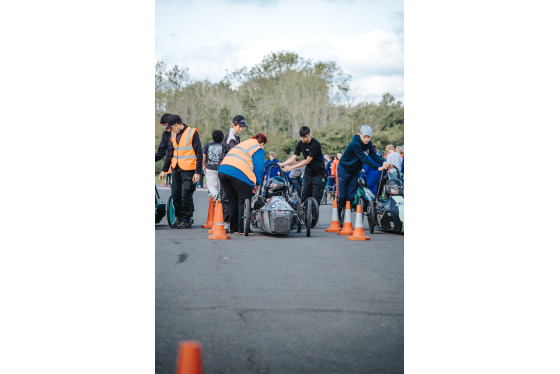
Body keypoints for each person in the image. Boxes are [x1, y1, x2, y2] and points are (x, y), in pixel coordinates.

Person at [337, 125, 392, 219]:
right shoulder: (355, 144)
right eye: (365, 137)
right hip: (344, 170)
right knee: (342, 196)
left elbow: (373, 156)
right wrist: (377, 167)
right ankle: (338, 215)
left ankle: (345, 217)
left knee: (350, 197)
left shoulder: (369, 143)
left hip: (355, 172)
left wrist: (384, 162)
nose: (367, 139)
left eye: (368, 137)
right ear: (360, 135)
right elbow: (364, 158)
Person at [218, 133, 267, 235]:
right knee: (244, 201)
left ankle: (234, 228)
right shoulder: (258, 147)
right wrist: (257, 183)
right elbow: (259, 168)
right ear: (262, 143)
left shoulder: (244, 143)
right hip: (238, 172)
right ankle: (242, 228)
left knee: (232, 200)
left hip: (223, 170)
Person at [159, 115, 202, 229]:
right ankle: (179, 218)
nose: (171, 130)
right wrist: (164, 170)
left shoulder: (192, 133)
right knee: (175, 195)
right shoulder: (173, 134)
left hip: (189, 170)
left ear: (177, 125)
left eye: (172, 128)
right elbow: (169, 153)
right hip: (176, 169)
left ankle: (186, 219)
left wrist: (198, 173)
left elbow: (199, 153)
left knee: (185, 195)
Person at [278, 126, 326, 206]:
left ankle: (313, 214)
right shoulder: (300, 144)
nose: (303, 139)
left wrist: (291, 167)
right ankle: (305, 213)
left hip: (318, 173)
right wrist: (282, 164)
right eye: (301, 137)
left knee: (315, 196)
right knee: (305, 194)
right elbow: (293, 158)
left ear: (309, 134)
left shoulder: (315, 144)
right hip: (308, 173)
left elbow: (307, 160)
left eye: (304, 137)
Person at [219, 115, 247, 232]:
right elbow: (235, 153)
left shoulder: (236, 136)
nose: (241, 129)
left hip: (231, 167)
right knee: (226, 196)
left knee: (232, 197)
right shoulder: (231, 137)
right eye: (239, 126)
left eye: (242, 127)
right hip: (226, 168)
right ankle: (226, 222)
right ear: (233, 125)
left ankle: (232, 224)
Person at [202, 129, 226, 200]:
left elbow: (204, 156)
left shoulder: (207, 145)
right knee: (220, 187)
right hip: (222, 168)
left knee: (211, 185)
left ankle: (216, 195)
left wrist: (204, 166)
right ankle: (219, 201)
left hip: (210, 168)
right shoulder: (224, 145)